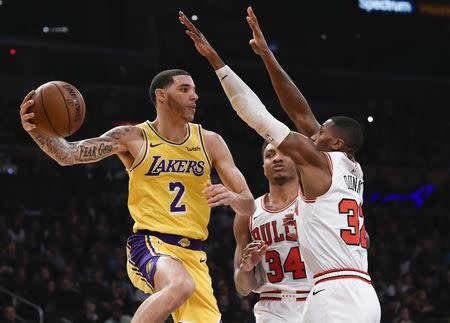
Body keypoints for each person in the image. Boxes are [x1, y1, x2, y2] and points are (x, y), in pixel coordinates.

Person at [179, 7, 381, 323]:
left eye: (322, 131)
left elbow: (256, 115)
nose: (313, 132)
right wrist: (266, 56)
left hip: (336, 293)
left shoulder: (319, 161)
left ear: (336, 143)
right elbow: (300, 111)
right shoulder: (346, 167)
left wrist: (216, 62)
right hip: (358, 291)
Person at [19, 69, 255, 323]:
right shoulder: (133, 137)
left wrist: (232, 197)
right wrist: (36, 131)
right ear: (161, 96)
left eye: (195, 90)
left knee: (186, 287)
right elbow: (69, 154)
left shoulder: (210, 142)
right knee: (180, 286)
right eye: (185, 89)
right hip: (151, 244)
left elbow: (249, 205)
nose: (195, 96)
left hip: (195, 254)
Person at [233, 141, 313, 323]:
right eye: (269, 155)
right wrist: (246, 268)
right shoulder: (248, 213)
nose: (277, 158)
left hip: (317, 299)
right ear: (263, 168)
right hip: (273, 307)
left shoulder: (316, 204)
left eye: (285, 153)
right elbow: (243, 288)